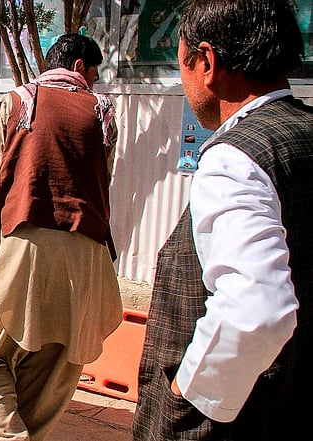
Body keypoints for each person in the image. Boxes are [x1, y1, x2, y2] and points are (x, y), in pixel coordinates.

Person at [132, 1, 311, 439]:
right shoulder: (303, 131)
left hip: (232, 419)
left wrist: (188, 391)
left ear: (207, 63)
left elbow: (256, 309)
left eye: (182, 65)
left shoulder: (235, 157)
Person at [0, 34, 121, 440]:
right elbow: (105, 181)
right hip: (87, 257)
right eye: (94, 75)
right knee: (51, 375)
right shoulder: (103, 113)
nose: (94, 84)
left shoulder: (16, 102)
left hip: (22, 247)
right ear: (79, 67)